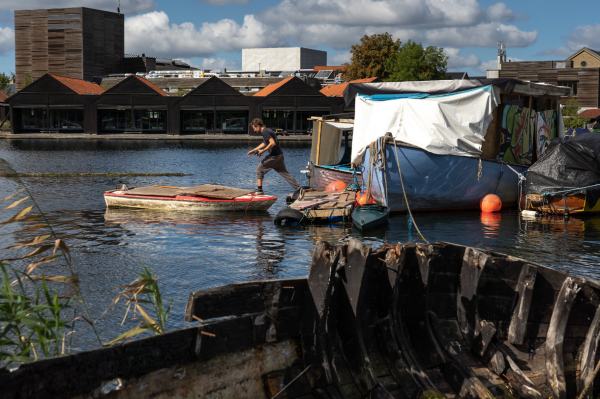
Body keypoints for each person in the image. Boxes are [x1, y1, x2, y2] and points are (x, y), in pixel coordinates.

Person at [247, 118, 299, 194]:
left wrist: (263, 151)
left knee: (259, 169)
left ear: (258, 126)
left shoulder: (264, 132)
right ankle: (299, 189)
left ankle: (260, 190)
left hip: (273, 156)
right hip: (279, 155)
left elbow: (272, 143)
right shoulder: (268, 130)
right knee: (285, 173)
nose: (254, 130)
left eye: (254, 128)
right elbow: (265, 143)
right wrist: (252, 150)